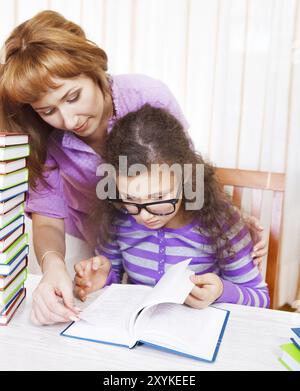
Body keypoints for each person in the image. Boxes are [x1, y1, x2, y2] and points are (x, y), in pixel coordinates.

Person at [0, 10, 267, 325]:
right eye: (48, 110)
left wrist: (223, 219)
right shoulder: (43, 134)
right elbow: (48, 222)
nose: (69, 121)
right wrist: (54, 265)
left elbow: (184, 167)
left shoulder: (145, 95)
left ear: (93, 67)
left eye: (73, 96)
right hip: (98, 237)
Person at [74, 105, 270, 309]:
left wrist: (221, 291)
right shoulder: (118, 216)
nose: (144, 215)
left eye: (159, 197)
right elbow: (113, 280)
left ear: (185, 177)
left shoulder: (221, 224)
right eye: (130, 199)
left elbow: (260, 298)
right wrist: (101, 279)